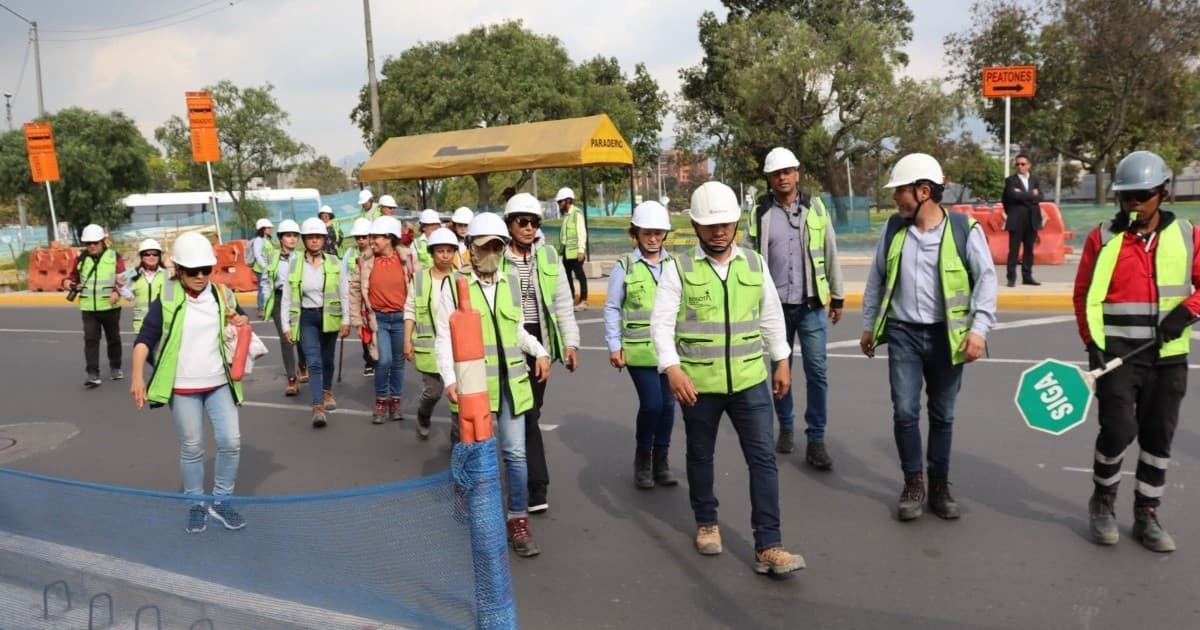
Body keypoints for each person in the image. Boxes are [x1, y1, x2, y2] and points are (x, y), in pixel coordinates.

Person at [650, 181, 804, 576]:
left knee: (763, 460)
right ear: (696, 226)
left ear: (736, 223)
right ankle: (706, 522)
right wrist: (672, 368)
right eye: (709, 225)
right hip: (698, 386)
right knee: (701, 456)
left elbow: (771, 316)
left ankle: (769, 545)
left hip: (751, 381)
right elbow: (661, 325)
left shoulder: (753, 264)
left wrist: (782, 360)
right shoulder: (678, 269)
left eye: (726, 224)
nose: (718, 232)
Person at [859, 153, 997, 522]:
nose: (895, 199)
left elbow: (986, 280)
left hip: (946, 336)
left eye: (900, 191)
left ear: (924, 191)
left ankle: (939, 484)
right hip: (903, 334)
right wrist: (869, 324)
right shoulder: (893, 229)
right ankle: (912, 483)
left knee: (943, 414)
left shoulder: (964, 230)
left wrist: (979, 330)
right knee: (905, 412)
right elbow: (876, 279)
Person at [1074, 150, 1200, 553]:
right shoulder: (1103, 237)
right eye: (1126, 196)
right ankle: (1103, 500)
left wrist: (1185, 313)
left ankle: (1146, 512)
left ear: (1163, 193)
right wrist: (1093, 345)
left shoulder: (1187, 234)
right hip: (1117, 357)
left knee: (1158, 435)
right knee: (1118, 430)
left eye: (1142, 195)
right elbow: (1084, 297)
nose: (1134, 203)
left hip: (1169, 357)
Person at [435, 212, 551, 558]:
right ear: (470, 248)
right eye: (484, 247)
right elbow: (445, 337)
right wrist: (449, 379)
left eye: (497, 247)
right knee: (479, 455)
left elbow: (515, 330)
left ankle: (517, 518)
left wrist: (540, 351)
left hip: (512, 382)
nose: (491, 254)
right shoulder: (454, 286)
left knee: (515, 454)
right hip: (475, 387)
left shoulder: (511, 282)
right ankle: (481, 514)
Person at [129, 231, 248, 534]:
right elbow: (145, 338)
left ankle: (221, 501)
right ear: (178, 270)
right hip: (182, 387)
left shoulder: (221, 293)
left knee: (231, 442)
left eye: (205, 270)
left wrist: (239, 321)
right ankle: (195, 504)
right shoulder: (167, 296)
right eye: (192, 271)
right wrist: (137, 376)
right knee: (193, 447)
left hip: (219, 381)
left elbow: (241, 319)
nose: (199, 276)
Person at [748, 147, 846, 468]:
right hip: (774, 309)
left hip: (811, 305)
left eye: (788, 171)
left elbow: (830, 250)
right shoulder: (759, 213)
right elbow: (749, 260)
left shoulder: (815, 209)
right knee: (780, 371)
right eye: (777, 173)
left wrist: (839, 294)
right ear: (769, 179)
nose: (783, 177)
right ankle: (786, 426)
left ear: (797, 173)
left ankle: (816, 438)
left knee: (817, 372)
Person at [504, 193, 581, 514]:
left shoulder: (548, 256)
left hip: (540, 341)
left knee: (531, 410)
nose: (529, 228)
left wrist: (571, 344)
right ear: (509, 224)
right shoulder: (495, 256)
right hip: (508, 340)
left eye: (534, 223)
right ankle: (537, 485)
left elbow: (563, 303)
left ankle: (526, 474)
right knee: (525, 413)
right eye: (523, 222)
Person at [604, 201, 678, 489]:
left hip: (669, 352)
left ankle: (662, 460)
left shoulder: (674, 266)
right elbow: (612, 307)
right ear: (636, 233)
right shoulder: (625, 267)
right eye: (647, 233)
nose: (653, 239)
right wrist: (614, 344)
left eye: (658, 233)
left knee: (669, 407)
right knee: (652, 405)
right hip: (639, 351)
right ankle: (643, 460)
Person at [281, 218, 350, 427]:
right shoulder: (295, 265)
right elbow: (286, 297)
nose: (314, 241)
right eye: (310, 237)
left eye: (318, 237)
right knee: (314, 361)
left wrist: (346, 320)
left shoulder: (334, 262)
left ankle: (327, 391)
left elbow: (344, 293)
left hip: (330, 316)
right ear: (304, 240)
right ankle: (318, 405)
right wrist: (286, 325)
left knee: (328, 359)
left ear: (324, 239)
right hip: (306, 318)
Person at [350, 215, 411, 424]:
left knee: (398, 362)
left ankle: (395, 401)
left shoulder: (408, 259)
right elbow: (355, 291)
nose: (372, 241)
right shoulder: (365, 260)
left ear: (389, 238)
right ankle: (381, 400)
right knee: (383, 361)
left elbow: (418, 289)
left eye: (376, 237)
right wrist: (357, 322)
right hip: (379, 321)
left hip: (402, 319)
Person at [404, 228, 459, 439]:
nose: (445, 255)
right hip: (429, 348)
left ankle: (457, 439)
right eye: (440, 251)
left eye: (449, 251)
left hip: (456, 347)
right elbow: (409, 309)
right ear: (432, 252)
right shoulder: (419, 279)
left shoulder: (461, 279)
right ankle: (423, 414)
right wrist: (406, 341)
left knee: (458, 396)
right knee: (434, 392)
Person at [64, 223, 126, 387]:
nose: (91, 246)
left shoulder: (114, 257)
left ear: (103, 241)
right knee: (91, 340)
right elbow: (72, 276)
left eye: (95, 243)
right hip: (89, 308)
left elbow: (123, 279)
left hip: (110, 307)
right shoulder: (81, 258)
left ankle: (115, 367)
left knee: (113, 339)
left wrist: (116, 291)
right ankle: (92, 373)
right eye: (88, 243)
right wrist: (68, 282)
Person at [259, 219, 307, 396]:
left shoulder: (303, 257)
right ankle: (292, 380)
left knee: (301, 337)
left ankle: (303, 365)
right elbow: (265, 282)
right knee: (286, 339)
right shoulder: (271, 258)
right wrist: (266, 302)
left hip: (299, 300)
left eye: (295, 235)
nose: (293, 239)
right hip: (279, 301)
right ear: (280, 238)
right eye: (288, 235)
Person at [1001, 153, 1044, 287]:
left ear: (1029, 165)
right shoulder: (1011, 180)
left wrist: (1023, 195)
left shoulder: (1035, 179)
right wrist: (1031, 194)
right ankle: (1011, 278)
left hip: (1032, 219)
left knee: (1029, 250)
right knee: (1013, 250)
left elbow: (1041, 196)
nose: (1020, 166)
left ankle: (1027, 276)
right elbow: (1012, 196)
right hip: (1016, 219)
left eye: (1023, 164)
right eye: (1017, 164)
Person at [343, 217, 378, 378]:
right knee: (364, 331)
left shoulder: (376, 253)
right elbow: (344, 276)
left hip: (374, 297)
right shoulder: (350, 253)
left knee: (377, 330)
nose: (361, 240)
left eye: (364, 237)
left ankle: (379, 359)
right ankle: (369, 361)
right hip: (358, 298)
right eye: (358, 237)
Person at [120, 238, 168, 334]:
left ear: (159, 256)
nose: (151, 256)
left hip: (161, 325)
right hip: (141, 326)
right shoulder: (132, 272)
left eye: (155, 254)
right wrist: (131, 296)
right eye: (147, 254)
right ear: (142, 257)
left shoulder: (167, 275)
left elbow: (170, 302)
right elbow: (119, 280)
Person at [555, 187, 589, 311]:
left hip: (575, 252)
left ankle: (584, 300)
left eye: (560, 201)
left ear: (568, 200)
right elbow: (564, 235)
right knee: (567, 277)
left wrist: (581, 250)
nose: (559, 204)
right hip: (566, 252)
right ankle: (571, 299)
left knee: (580, 276)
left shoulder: (576, 214)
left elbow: (581, 232)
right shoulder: (566, 216)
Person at [249, 218, 276, 314]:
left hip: (268, 267)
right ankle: (261, 309)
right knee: (262, 288)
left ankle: (267, 306)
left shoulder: (267, 239)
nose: (270, 229)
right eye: (268, 227)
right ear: (262, 229)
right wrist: (265, 267)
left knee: (268, 288)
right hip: (261, 269)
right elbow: (257, 254)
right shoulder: (259, 240)